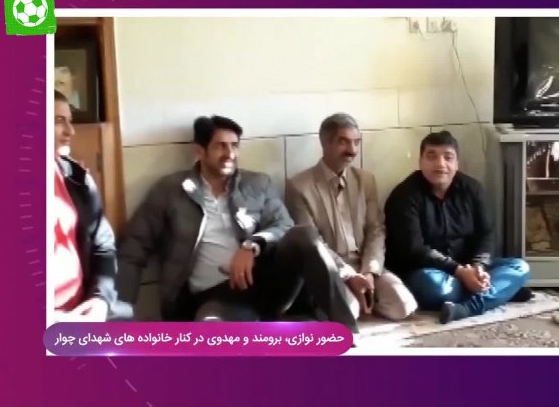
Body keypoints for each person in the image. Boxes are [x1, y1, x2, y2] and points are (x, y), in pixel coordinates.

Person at [116, 115, 357, 331]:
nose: (230, 154)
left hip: (266, 283)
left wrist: (252, 245)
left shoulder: (257, 184)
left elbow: (284, 225)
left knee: (304, 236)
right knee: (214, 332)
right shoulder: (170, 191)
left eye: (234, 146)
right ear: (200, 151)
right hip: (215, 298)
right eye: (221, 146)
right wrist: (119, 315)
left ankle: (345, 330)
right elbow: (132, 249)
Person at [384, 131, 532, 324]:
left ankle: (469, 307)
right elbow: (415, 249)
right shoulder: (404, 196)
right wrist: (460, 272)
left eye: (448, 157)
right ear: (420, 162)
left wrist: (478, 267)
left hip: (468, 266)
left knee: (520, 267)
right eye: (432, 156)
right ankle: (499, 292)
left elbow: (486, 234)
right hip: (426, 272)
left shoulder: (472, 189)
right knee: (436, 288)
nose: (440, 164)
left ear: (457, 163)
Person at [286, 114, 417, 321]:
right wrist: (347, 275)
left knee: (403, 305)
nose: (352, 150)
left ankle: (365, 297)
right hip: (330, 270)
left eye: (356, 142)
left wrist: (370, 271)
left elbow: (376, 229)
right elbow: (312, 244)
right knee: (349, 312)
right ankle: (351, 302)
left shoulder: (365, 180)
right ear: (325, 143)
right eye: (343, 142)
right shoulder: (299, 186)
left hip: (365, 265)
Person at [53, 90, 129, 322]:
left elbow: (103, 244)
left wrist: (100, 299)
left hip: (83, 309)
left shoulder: (77, 178)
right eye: (58, 121)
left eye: (70, 120)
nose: (70, 131)